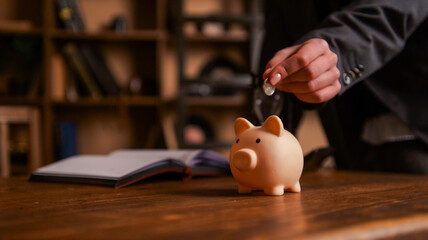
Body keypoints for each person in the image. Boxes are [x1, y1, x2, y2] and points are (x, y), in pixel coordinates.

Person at [260, 0, 428, 173]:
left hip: (414, 127)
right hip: (345, 143)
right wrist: (262, 144)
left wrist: (334, 53)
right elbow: (279, 38)